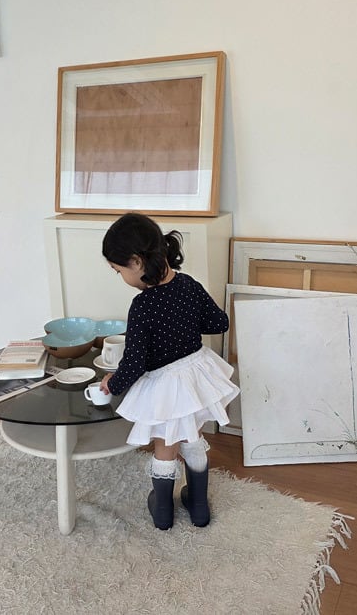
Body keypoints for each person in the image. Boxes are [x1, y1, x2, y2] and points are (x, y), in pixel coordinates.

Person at [99, 212, 239, 530]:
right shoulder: (188, 284)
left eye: (118, 270)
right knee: (192, 437)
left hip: (164, 387)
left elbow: (134, 362)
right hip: (195, 378)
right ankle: (199, 507)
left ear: (136, 262)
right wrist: (185, 323)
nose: (120, 276)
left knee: (165, 445)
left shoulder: (142, 306)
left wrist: (113, 383)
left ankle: (163, 511)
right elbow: (219, 322)